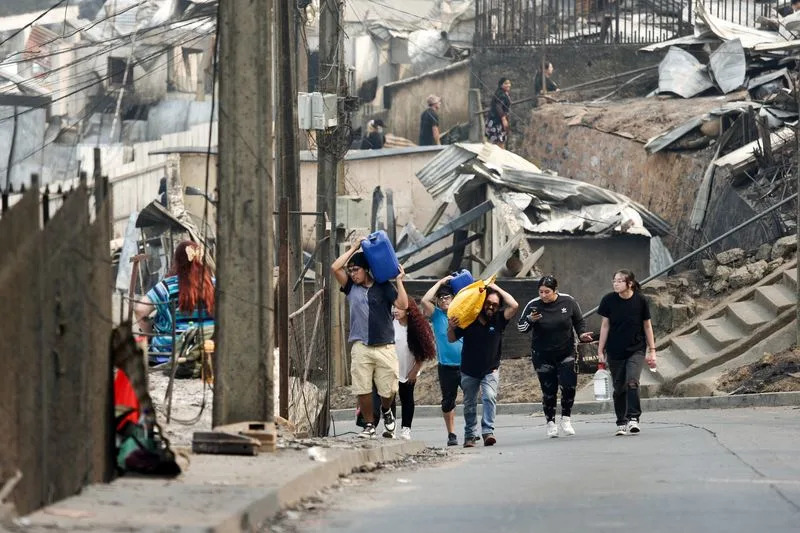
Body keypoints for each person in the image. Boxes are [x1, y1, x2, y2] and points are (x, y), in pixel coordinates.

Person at [331, 238, 408, 439]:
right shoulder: (350, 288)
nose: (352, 273)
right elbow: (335, 267)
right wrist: (354, 247)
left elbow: (403, 304)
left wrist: (399, 281)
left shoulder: (383, 286)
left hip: (385, 346)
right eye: (351, 270)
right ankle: (369, 425)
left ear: (366, 269)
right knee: (362, 388)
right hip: (361, 346)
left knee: (388, 389)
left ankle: (387, 411)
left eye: (356, 269)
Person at [517, 275, 593, 438]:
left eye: (547, 292)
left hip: (566, 352)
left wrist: (581, 334)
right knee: (549, 391)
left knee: (568, 386)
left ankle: (566, 419)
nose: (543, 295)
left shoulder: (568, 301)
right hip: (542, 355)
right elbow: (521, 328)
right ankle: (550, 422)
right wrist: (530, 320)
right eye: (541, 292)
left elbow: (578, 321)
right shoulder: (533, 305)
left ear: (555, 291)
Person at [448, 283, 519, 448]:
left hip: (490, 369)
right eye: (488, 303)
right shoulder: (468, 319)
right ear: (481, 303)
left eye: (495, 305)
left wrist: (496, 288)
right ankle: (470, 436)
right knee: (469, 404)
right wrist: (451, 328)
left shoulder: (499, 319)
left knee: (489, 396)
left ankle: (488, 432)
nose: (491, 307)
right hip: (469, 370)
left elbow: (514, 305)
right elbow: (451, 338)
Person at [134, 240, 215, 372]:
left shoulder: (167, 286)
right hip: (208, 349)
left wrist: (149, 334)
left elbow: (140, 310)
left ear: (177, 261)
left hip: (170, 353)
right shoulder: (214, 285)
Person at [596, 269, 657, 436]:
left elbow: (647, 326)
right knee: (619, 388)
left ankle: (633, 418)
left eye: (619, 281)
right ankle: (621, 421)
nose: (615, 284)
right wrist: (600, 350)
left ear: (629, 283)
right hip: (615, 350)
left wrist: (652, 351)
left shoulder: (641, 300)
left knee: (632, 381)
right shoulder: (608, 300)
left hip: (636, 349)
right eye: (614, 280)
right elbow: (605, 326)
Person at [421, 276, 464, 446]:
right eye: (441, 298)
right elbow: (425, 300)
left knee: (470, 398)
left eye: (447, 297)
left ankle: (471, 431)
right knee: (448, 402)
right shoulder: (437, 315)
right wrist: (440, 283)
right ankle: (451, 434)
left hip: (466, 364)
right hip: (446, 366)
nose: (444, 300)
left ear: (454, 299)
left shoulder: (462, 313)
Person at [393, 298, 436, 440]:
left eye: (399, 308)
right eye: (394, 307)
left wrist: (415, 369)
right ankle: (390, 428)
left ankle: (406, 429)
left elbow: (422, 352)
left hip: (408, 369)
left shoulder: (415, 328)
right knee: (389, 398)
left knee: (407, 398)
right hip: (391, 369)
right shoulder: (390, 324)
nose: (395, 311)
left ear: (408, 310)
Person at [484, 77, 512, 149]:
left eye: (509, 83)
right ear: (501, 85)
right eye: (506, 83)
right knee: (498, 142)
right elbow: (498, 106)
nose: (508, 85)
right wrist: (504, 119)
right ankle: (496, 159)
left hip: (494, 121)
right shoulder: (501, 94)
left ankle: (485, 158)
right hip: (497, 122)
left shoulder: (503, 93)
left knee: (492, 143)